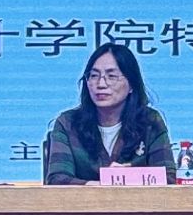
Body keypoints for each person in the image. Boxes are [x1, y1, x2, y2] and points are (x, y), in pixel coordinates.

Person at [43, 43, 175, 184]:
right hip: (83, 199)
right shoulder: (68, 123)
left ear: (131, 85)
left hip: (137, 199)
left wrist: (129, 178)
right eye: (94, 76)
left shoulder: (150, 121)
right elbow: (56, 180)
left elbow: (169, 178)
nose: (101, 84)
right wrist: (100, 185)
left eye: (111, 76)